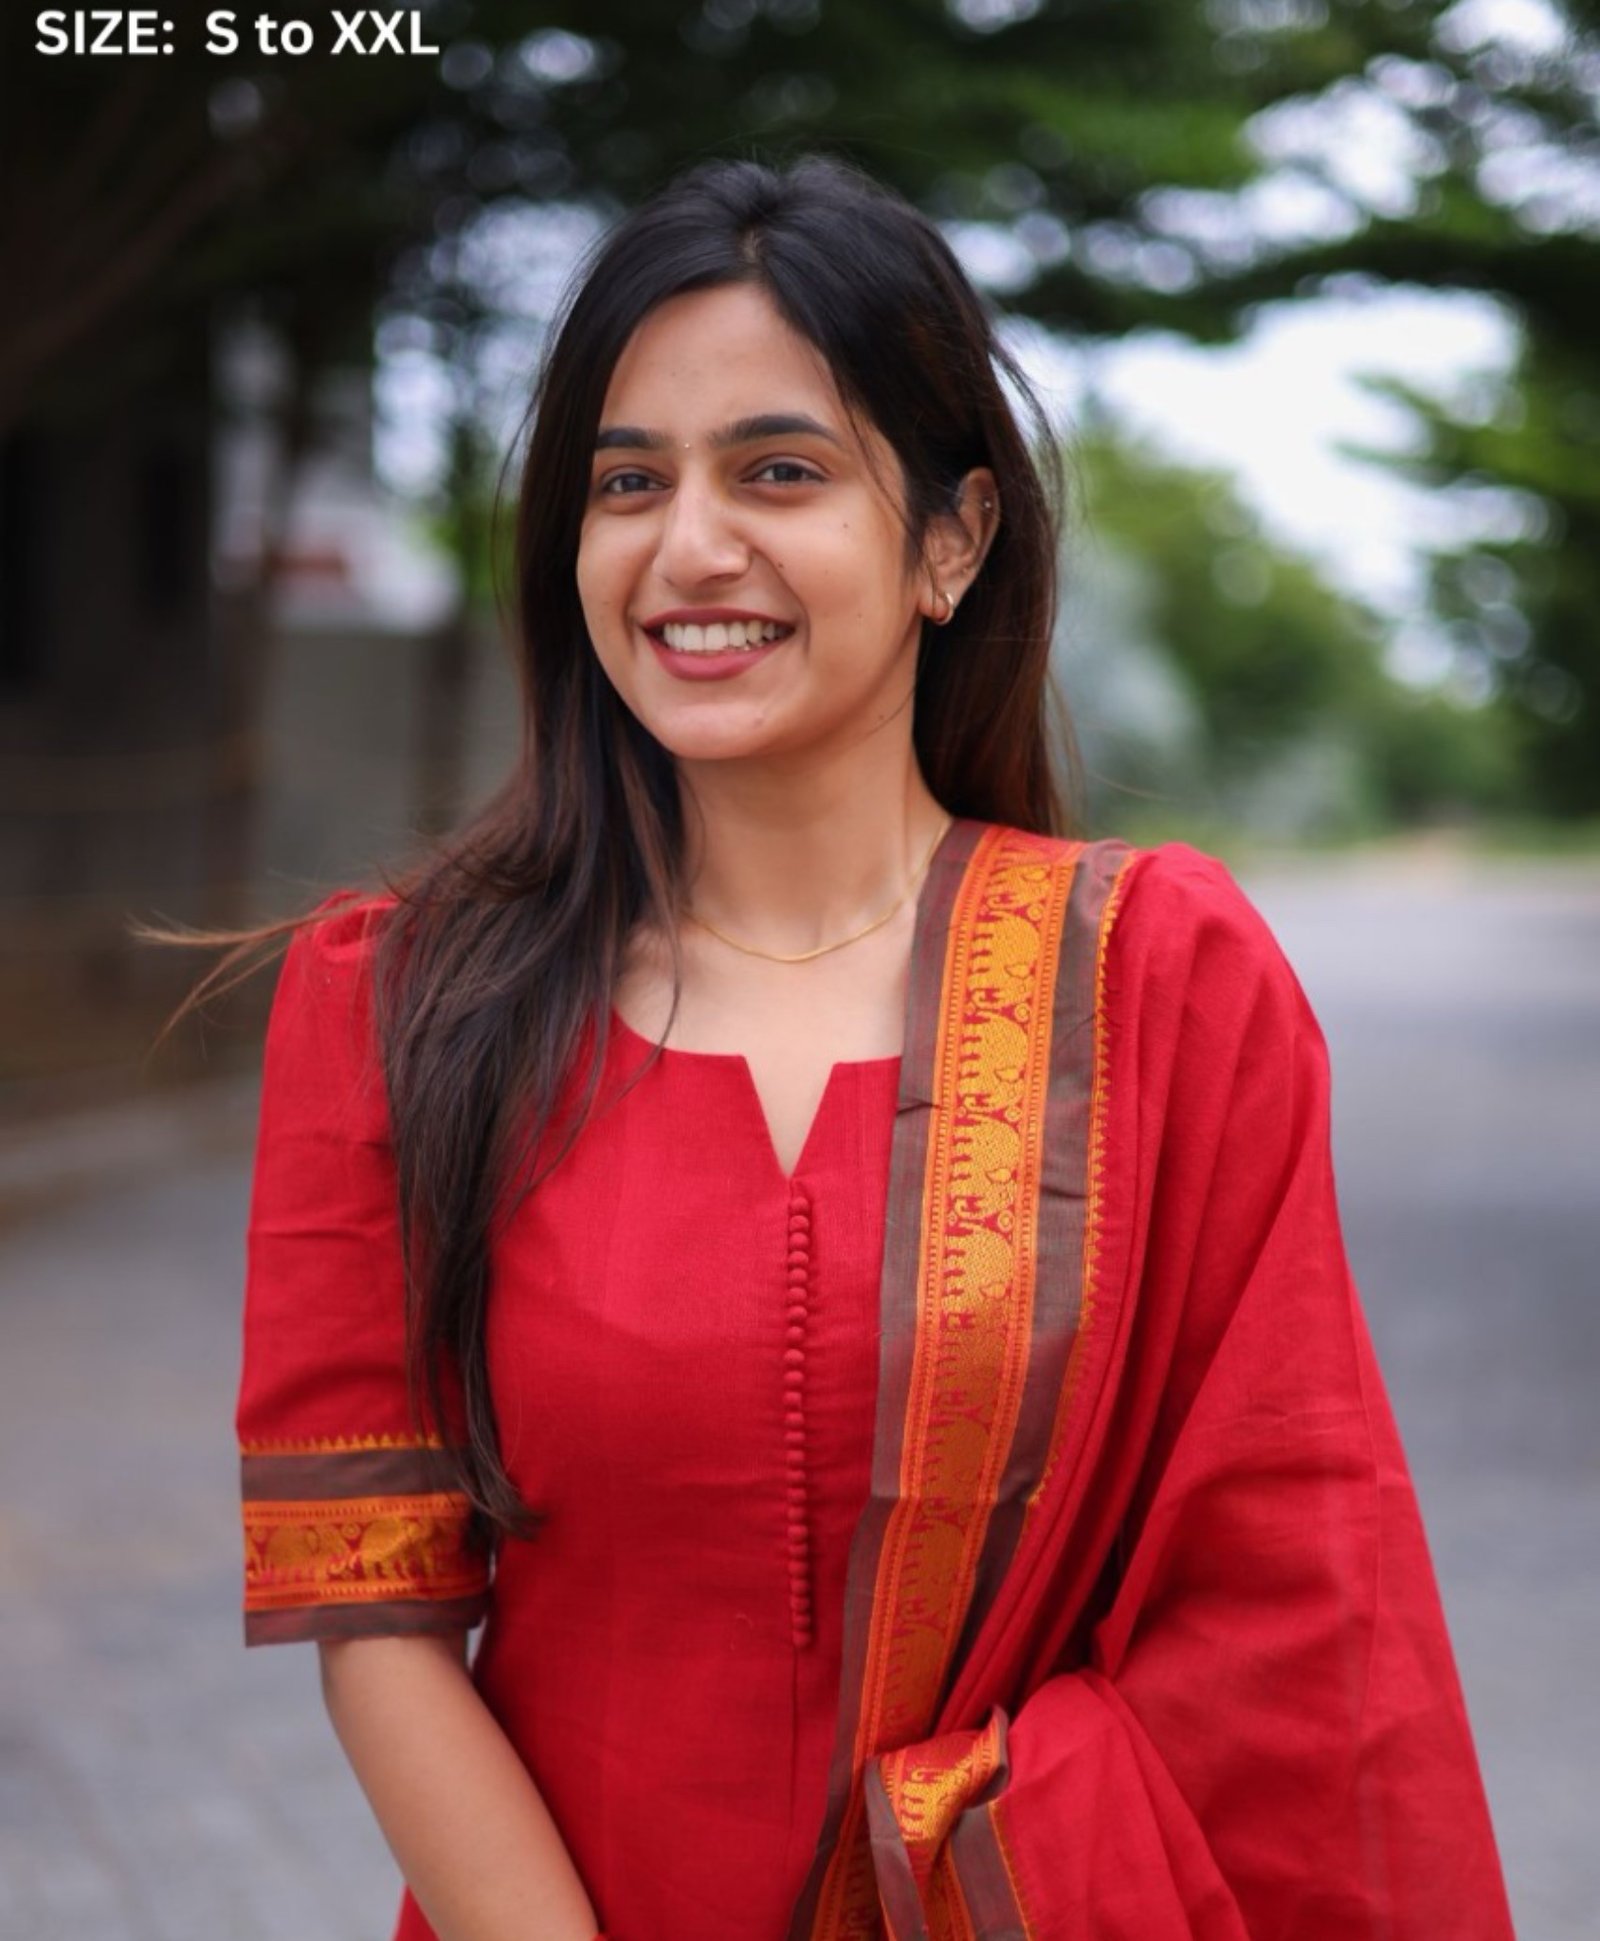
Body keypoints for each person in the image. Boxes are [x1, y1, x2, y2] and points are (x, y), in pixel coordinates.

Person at [214, 156, 1514, 1940]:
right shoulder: (409, 1004)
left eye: (780, 471)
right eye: (627, 481)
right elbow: (380, 1616)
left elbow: (1298, 1595)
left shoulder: (1156, 985)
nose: (690, 547)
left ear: (952, 540)